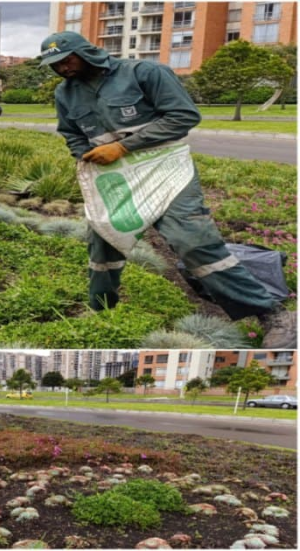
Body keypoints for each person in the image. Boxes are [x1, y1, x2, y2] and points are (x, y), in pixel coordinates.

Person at [40, 30, 295, 347]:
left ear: (85, 51)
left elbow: (184, 116)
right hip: (117, 177)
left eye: (67, 60)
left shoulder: (144, 73)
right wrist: (85, 155)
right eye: (55, 65)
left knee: (192, 241)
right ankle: (102, 312)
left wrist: (124, 147)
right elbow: (71, 133)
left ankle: (272, 313)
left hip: (166, 169)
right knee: (103, 240)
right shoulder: (66, 94)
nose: (62, 68)